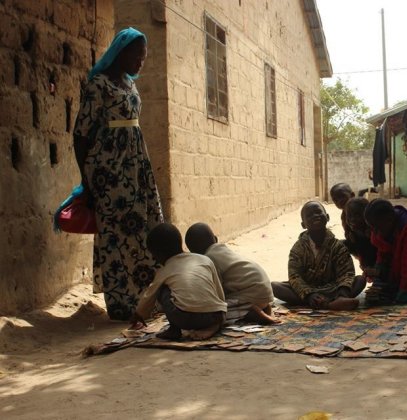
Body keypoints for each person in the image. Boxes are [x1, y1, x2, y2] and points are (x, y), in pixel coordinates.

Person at [73, 28, 163, 320]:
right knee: (114, 233)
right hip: (109, 169)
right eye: (136, 55)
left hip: (137, 164)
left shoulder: (129, 85)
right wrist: (87, 181)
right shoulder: (97, 84)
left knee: (145, 225)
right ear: (120, 52)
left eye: (144, 56)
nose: (141, 61)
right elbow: (81, 135)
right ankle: (121, 302)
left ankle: (145, 295)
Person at [130, 224, 227, 340]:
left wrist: (139, 314)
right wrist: (221, 309)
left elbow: (149, 295)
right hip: (216, 315)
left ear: (159, 254)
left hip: (186, 318)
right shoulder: (204, 259)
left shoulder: (165, 270)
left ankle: (174, 330)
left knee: (162, 289)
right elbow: (219, 291)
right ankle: (214, 326)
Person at [271, 201, 365, 311]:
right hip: (308, 290)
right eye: (309, 215)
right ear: (303, 225)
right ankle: (328, 304)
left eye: (318, 212)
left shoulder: (337, 246)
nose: (315, 216)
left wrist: (342, 291)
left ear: (327, 217)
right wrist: (309, 294)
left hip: (334, 288)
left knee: (360, 280)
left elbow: (347, 272)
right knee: (275, 287)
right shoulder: (298, 248)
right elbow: (294, 276)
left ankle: (340, 298)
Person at [184, 222, 278, 324]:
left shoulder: (209, 260)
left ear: (195, 253)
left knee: (213, 312)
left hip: (253, 295)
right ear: (215, 239)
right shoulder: (222, 249)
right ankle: (263, 306)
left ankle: (251, 313)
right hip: (265, 291)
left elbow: (217, 294)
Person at [363, 199, 407, 305]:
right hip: (393, 262)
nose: (375, 232)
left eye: (377, 228)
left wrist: (405, 292)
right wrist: (377, 271)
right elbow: (382, 255)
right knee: (377, 295)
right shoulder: (378, 228)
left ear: (389, 219)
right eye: (372, 228)